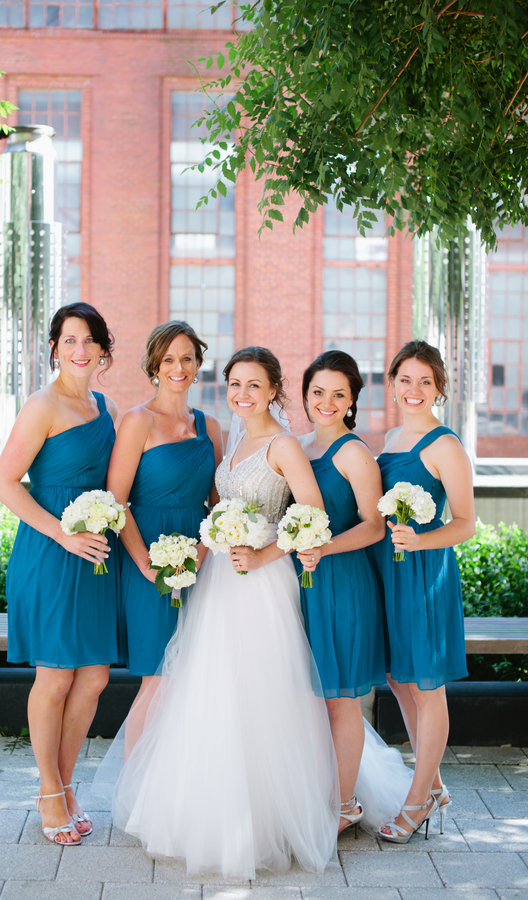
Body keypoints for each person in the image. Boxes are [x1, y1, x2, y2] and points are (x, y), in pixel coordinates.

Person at [95, 346, 341, 879]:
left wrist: (263, 552)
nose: (242, 394)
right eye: (235, 383)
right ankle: (200, 807)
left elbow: (313, 516)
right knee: (208, 687)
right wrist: (208, 545)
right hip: (219, 580)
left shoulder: (283, 445)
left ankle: (261, 819)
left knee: (258, 690)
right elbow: (217, 504)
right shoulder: (229, 442)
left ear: (275, 390)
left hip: (262, 582)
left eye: (254, 384)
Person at [0, 302, 120, 846]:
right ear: (54, 348)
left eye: (89, 339)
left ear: (103, 350)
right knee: (56, 677)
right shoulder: (42, 406)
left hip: (95, 558)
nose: (80, 349)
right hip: (50, 552)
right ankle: (48, 792)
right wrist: (62, 534)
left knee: (93, 678)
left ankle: (67, 784)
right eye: (69, 340)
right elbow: (4, 482)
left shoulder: (106, 407)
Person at [372, 340, 475, 843]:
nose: (414, 390)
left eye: (425, 381)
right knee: (398, 679)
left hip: (425, 574)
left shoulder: (444, 445)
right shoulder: (391, 436)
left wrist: (420, 540)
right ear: (393, 384)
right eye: (406, 380)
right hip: (389, 572)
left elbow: (467, 523)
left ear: (438, 388)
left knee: (427, 685)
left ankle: (417, 803)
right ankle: (431, 783)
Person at [106, 321, 223, 745]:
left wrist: (201, 553)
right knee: (158, 677)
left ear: (198, 365)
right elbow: (115, 501)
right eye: (169, 359)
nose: (179, 367)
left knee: (192, 674)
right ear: (154, 365)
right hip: (148, 558)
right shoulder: (137, 421)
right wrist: (147, 563)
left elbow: (219, 503)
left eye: (187, 358)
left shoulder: (210, 426)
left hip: (200, 558)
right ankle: (134, 795)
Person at [296, 350, 387, 836]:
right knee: (311, 697)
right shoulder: (299, 445)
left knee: (341, 699)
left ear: (351, 400)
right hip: (302, 585)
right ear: (305, 394)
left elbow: (374, 526)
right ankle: (320, 791)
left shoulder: (353, 452)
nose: (326, 402)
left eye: (338, 394)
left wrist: (324, 548)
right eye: (318, 392)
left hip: (342, 584)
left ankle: (346, 803)